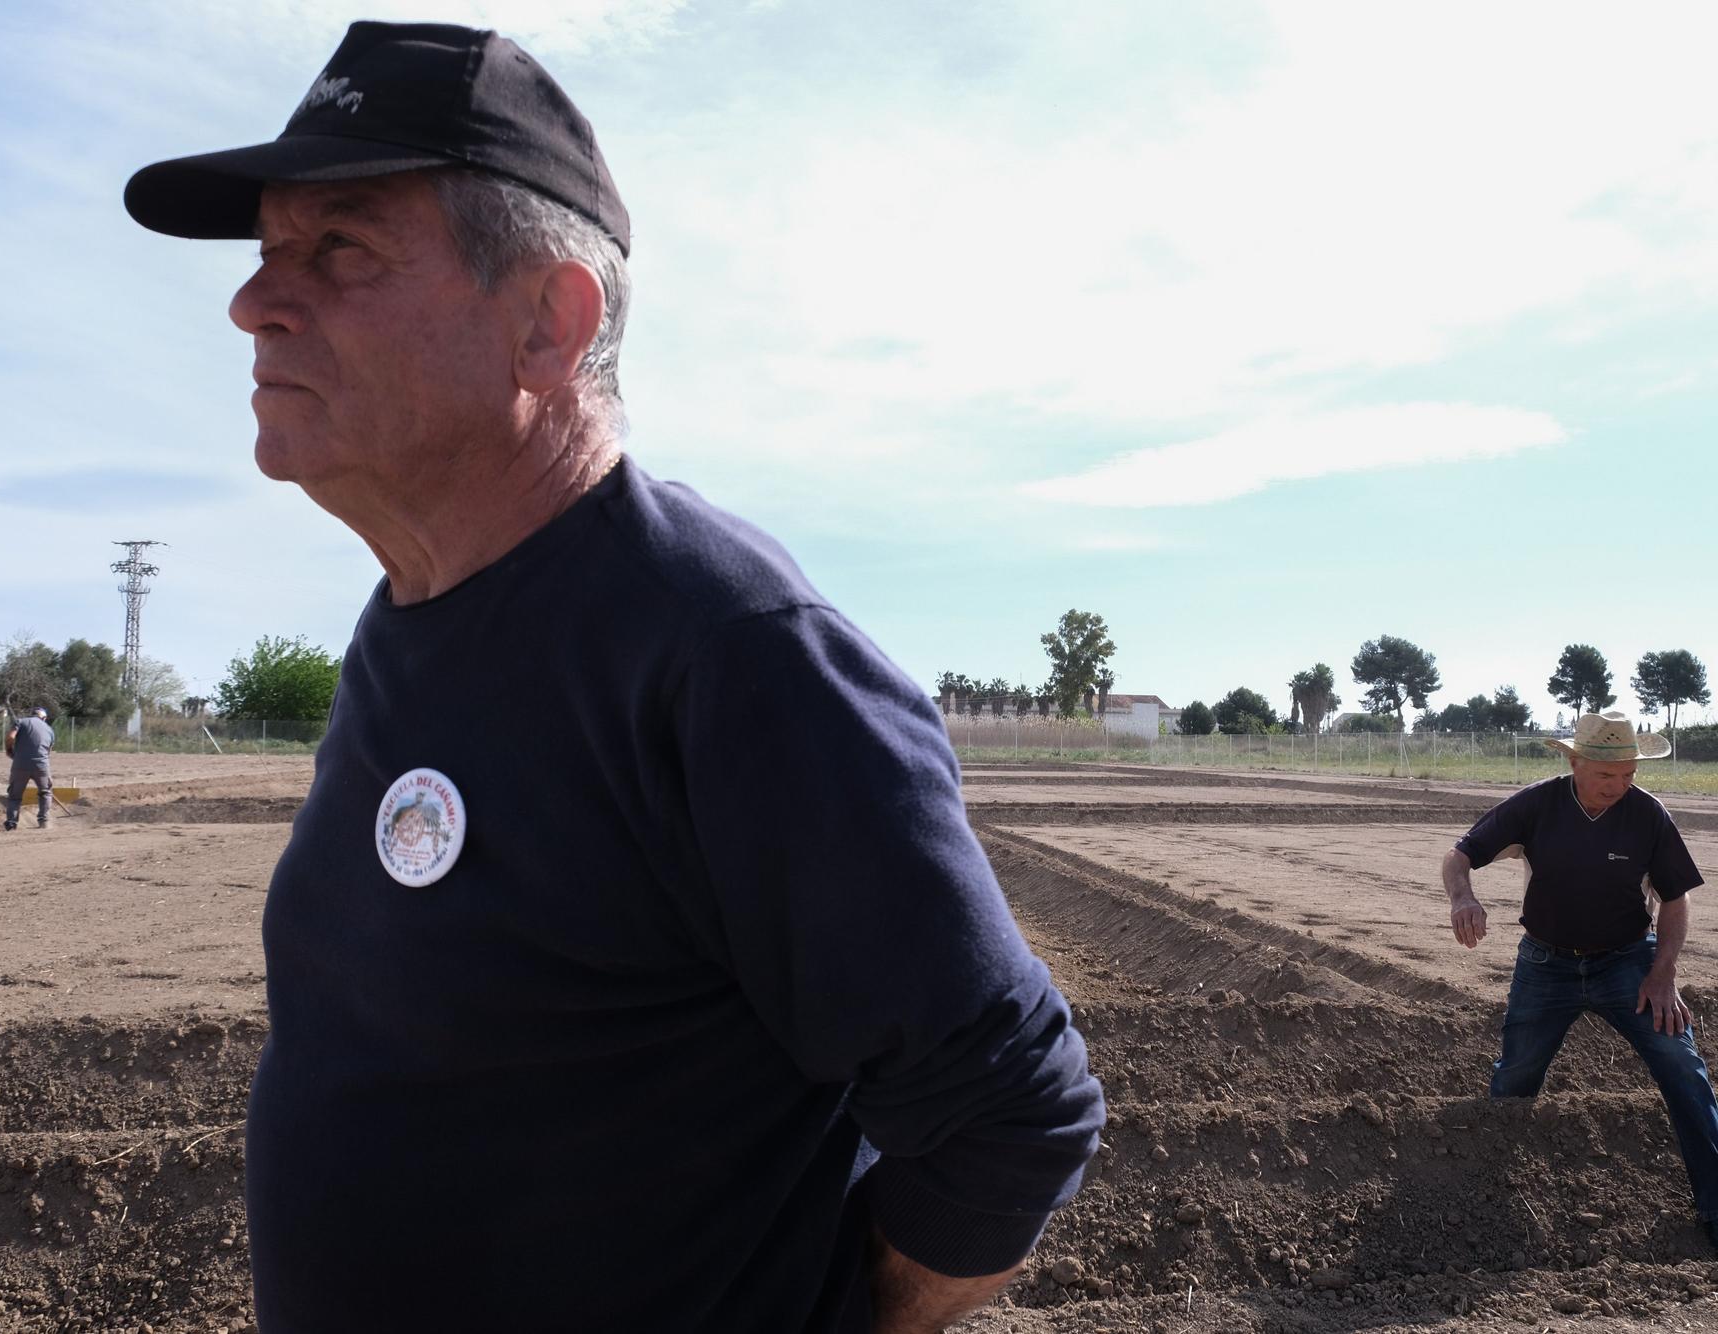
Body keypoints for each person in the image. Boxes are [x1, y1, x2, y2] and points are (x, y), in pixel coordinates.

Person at [123, 21, 1103, 1333]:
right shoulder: (408, 613)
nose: (255, 299)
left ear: (548, 322)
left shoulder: (724, 651)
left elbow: (1010, 1108)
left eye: (339, 249)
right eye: (265, 252)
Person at [1439, 710, 1718, 1263]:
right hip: (1546, 965)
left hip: (1628, 966)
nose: (1620, 786)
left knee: (1684, 1069)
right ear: (1575, 763)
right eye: (1607, 775)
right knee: (1515, 1080)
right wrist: (1462, 897)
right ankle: (1483, 1210)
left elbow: (1676, 897)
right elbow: (1459, 855)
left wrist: (1663, 975)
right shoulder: (1538, 804)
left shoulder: (1647, 816)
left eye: (1629, 774)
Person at [2, 706, 55, 831]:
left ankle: (11, 823)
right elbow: (48, 751)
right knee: (45, 793)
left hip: (20, 765)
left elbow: (10, 737)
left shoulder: (21, 722)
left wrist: (9, 750)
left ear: (31, 715)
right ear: (44, 718)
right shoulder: (49, 730)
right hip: (41, 766)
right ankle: (43, 821)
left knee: (15, 796)